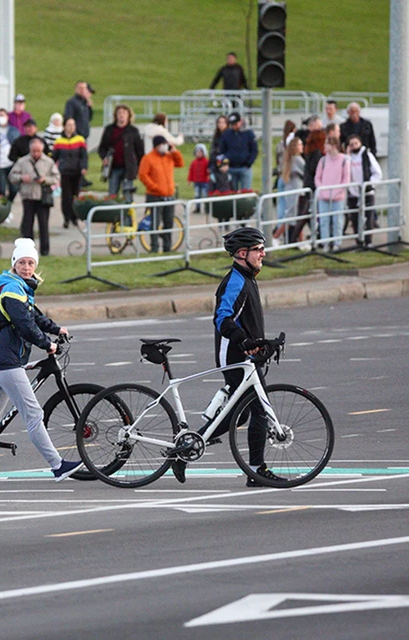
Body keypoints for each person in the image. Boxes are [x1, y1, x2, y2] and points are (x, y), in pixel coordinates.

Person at [0, 239, 83, 485]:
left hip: (3, 359)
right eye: (21, 262)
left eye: (30, 263)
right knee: (33, 413)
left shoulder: (19, 288)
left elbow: (35, 316)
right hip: (6, 360)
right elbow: (25, 324)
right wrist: (47, 344)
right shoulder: (12, 290)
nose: (26, 267)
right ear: (14, 264)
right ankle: (57, 466)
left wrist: (57, 329)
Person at [172, 227, 281, 486]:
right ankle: (256, 472)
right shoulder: (235, 280)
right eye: (259, 249)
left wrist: (263, 343)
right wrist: (244, 341)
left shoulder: (247, 276)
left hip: (247, 357)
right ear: (242, 253)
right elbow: (222, 317)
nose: (263, 254)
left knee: (242, 414)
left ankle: (187, 448)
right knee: (259, 410)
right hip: (234, 357)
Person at [10, 137, 59, 256]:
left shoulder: (48, 162)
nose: (36, 153)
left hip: (42, 197)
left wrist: (45, 179)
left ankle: (45, 251)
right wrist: (22, 178)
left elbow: (56, 178)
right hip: (28, 196)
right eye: (34, 151)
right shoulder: (22, 161)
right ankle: (26, 251)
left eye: (38, 151)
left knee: (43, 225)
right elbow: (12, 176)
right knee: (27, 225)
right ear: (30, 150)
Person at [137, 135, 184, 253]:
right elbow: (143, 175)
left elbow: (180, 163)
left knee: (168, 222)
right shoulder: (148, 158)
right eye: (162, 144)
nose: (164, 146)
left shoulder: (169, 156)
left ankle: (167, 248)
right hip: (155, 196)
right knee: (155, 223)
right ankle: (154, 247)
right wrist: (155, 187)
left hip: (169, 196)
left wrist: (174, 151)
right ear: (156, 146)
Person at [97, 104, 144, 203]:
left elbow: (140, 151)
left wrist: (140, 168)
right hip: (113, 167)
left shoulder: (133, 131)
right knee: (112, 194)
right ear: (116, 115)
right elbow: (102, 148)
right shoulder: (110, 129)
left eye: (124, 113)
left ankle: (128, 217)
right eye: (119, 113)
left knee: (127, 194)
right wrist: (104, 158)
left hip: (128, 168)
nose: (121, 115)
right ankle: (114, 216)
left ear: (129, 115)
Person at [314, 135, 350, 251]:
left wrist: (336, 192)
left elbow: (346, 179)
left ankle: (336, 243)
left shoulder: (344, 160)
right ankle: (325, 243)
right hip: (323, 196)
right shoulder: (323, 160)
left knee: (337, 220)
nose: (324, 146)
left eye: (327, 144)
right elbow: (317, 177)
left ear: (334, 145)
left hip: (338, 197)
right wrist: (322, 190)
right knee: (324, 221)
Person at [51, 117, 89, 228]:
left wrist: (84, 167)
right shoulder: (59, 141)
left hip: (76, 171)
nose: (71, 127)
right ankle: (66, 218)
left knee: (75, 195)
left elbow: (84, 156)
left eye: (73, 125)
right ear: (64, 126)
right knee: (66, 196)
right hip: (65, 171)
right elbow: (54, 157)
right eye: (69, 125)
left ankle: (74, 217)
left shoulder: (80, 140)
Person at [345, 134, 382, 244]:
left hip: (367, 192)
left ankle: (368, 240)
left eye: (356, 143)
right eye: (351, 144)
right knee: (355, 218)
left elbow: (377, 173)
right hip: (352, 193)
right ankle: (359, 241)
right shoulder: (347, 158)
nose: (354, 146)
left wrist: (369, 184)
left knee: (368, 217)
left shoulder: (367, 155)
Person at [275, 137, 304, 244]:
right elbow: (305, 171)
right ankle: (276, 237)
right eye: (300, 145)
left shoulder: (289, 159)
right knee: (293, 216)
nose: (302, 147)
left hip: (291, 189)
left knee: (296, 216)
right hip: (296, 189)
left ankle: (301, 240)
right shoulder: (297, 160)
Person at [218, 112, 257, 191]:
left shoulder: (248, 134)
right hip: (231, 168)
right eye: (232, 124)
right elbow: (222, 151)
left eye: (236, 124)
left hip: (244, 167)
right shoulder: (226, 134)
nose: (234, 126)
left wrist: (249, 163)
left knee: (245, 191)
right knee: (232, 191)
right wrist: (224, 163)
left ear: (241, 122)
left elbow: (254, 149)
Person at [0, 108, 20, 201]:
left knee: (14, 188)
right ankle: (4, 206)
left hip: (11, 163)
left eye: (2, 115)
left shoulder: (13, 131)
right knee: (1, 189)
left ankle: (9, 203)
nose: (0, 118)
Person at [187, 143, 210, 211]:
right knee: (197, 195)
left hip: (204, 182)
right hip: (196, 182)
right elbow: (191, 171)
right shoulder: (194, 162)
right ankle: (198, 207)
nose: (199, 153)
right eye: (197, 152)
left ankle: (206, 207)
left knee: (205, 195)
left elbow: (208, 171)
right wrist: (189, 180)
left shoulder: (206, 162)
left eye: (200, 152)